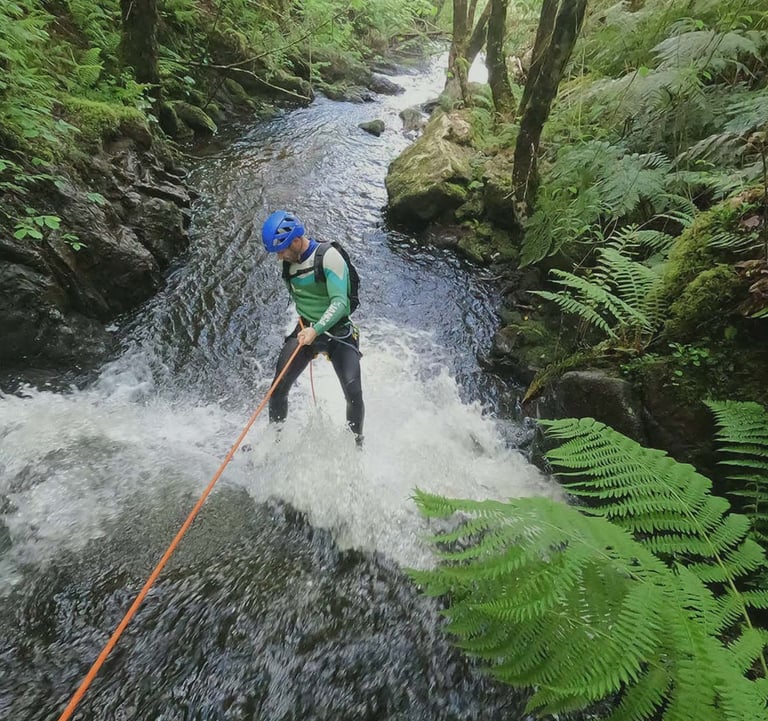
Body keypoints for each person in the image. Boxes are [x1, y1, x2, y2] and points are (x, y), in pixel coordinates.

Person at [261, 209, 364, 446]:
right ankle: (275, 441)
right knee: (277, 388)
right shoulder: (289, 263)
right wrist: (309, 328)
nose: (279, 258)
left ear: (296, 241)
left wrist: (315, 330)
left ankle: (356, 446)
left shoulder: (329, 257)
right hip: (305, 330)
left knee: (354, 394)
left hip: (338, 332)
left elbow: (340, 303)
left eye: (281, 251)